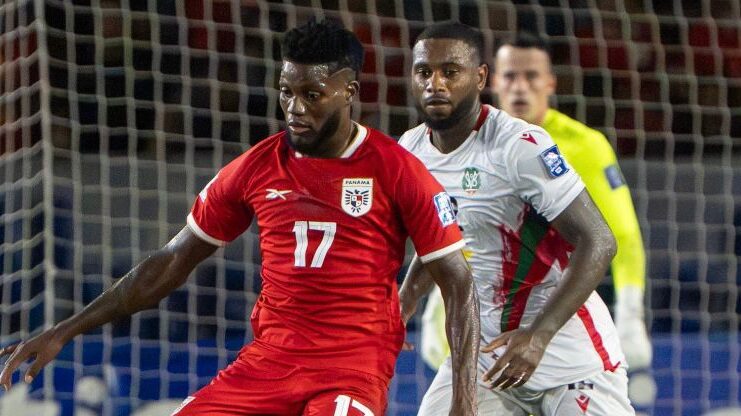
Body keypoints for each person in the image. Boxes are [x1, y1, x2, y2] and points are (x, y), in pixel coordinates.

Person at [0, 19, 480, 416]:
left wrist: (464, 403)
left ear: (348, 91)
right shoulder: (256, 167)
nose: (295, 108)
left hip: (350, 369)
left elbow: (458, 284)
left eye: (312, 95)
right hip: (268, 364)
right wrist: (65, 329)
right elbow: (171, 262)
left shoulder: (397, 170)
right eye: (286, 92)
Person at [398, 22, 634, 415]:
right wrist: (403, 304)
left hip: (569, 359)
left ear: (480, 78)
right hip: (487, 358)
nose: (435, 84)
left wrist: (539, 336)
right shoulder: (411, 151)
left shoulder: (519, 146)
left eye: (450, 72)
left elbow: (600, 240)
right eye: (424, 72)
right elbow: (439, 240)